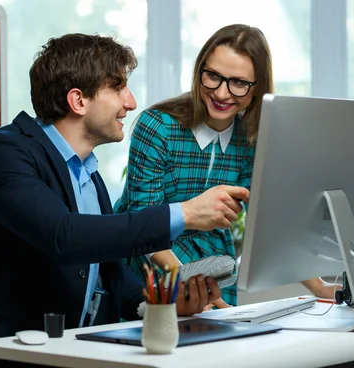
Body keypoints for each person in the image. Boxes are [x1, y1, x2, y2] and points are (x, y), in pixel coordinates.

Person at [0, 33, 251, 368]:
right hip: (4, 356)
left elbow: (113, 276)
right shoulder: (3, 153)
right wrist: (185, 213)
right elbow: (64, 236)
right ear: (78, 101)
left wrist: (163, 303)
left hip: (78, 354)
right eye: (118, 89)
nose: (130, 103)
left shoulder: (88, 173)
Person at [114, 24, 340, 308]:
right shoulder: (157, 126)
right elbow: (142, 223)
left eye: (239, 83)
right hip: (149, 272)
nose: (221, 94)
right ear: (200, 71)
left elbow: (269, 221)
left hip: (213, 272)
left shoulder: (252, 139)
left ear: (257, 88)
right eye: (213, 77)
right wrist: (187, 283)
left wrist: (319, 286)